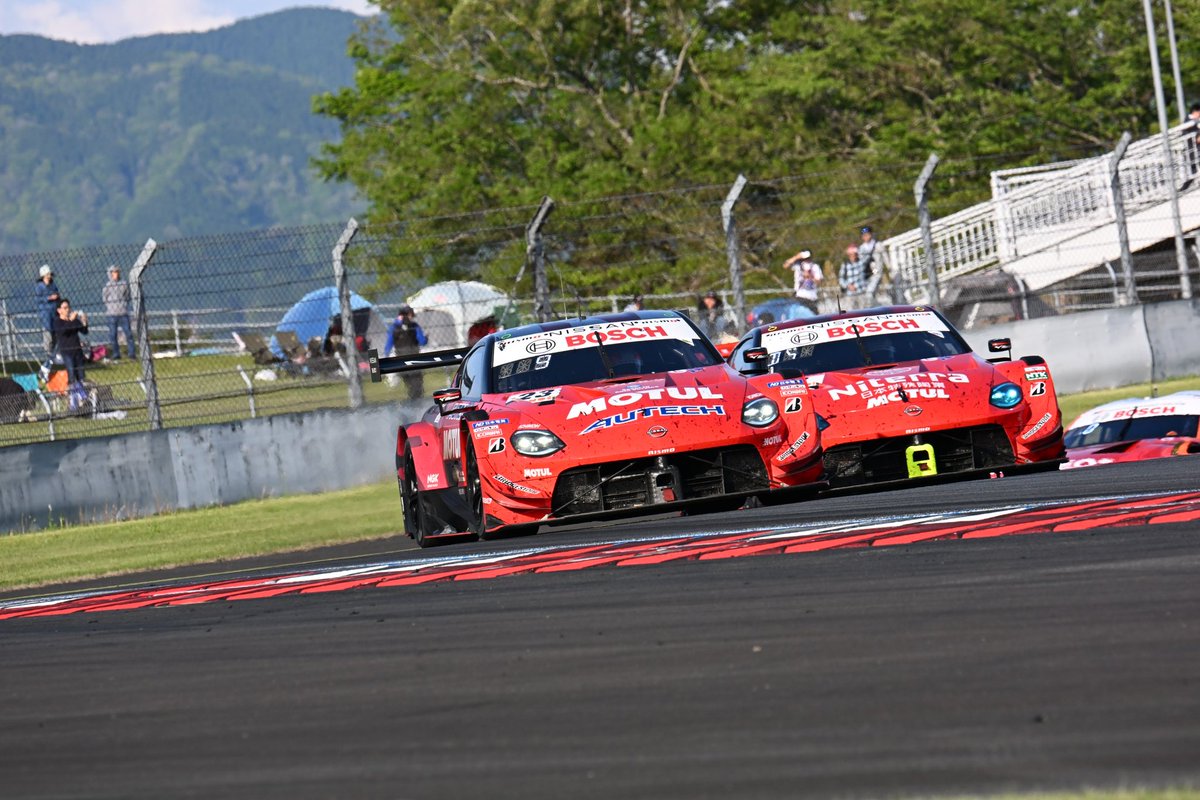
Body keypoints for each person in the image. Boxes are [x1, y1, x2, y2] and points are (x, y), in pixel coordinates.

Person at [51, 298, 88, 411]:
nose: (68, 310)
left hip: (78, 352)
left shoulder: (73, 320)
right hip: (67, 353)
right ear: (59, 310)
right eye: (65, 308)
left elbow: (84, 331)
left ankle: (81, 400)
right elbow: (64, 331)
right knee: (72, 377)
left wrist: (84, 321)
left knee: (80, 376)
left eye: (68, 307)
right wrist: (71, 320)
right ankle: (77, 400)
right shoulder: (58, 322)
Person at [385, 305, 428, 399]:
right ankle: (417, 401)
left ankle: (412, 401)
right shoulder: (414, 326)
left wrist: (387, 358)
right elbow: (422, 341)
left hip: (401, 361)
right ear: (408, 315)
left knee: (410, 385)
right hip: (415, 360)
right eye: (411, 315)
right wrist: (426, 338)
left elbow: (388, 346)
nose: (412, 318)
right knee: (417, 386)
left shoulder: (393, 327)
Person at [102, 265, 135, 361]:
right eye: (114, 272)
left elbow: (127, 296)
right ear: (110, 274)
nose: (116, 274)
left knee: (128, 334)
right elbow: (104, 298)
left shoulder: (124, 284)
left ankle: (131, 354)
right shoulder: (107, 286)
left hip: (123, 312)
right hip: (111, 314)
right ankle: (116, 354)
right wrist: (110, 306)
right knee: (113, 335)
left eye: (117, 272)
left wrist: (123, 305)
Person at [34, 265, 61, 355]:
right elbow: (37, 299)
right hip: (45, 312)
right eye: (48, 274)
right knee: (48, 332)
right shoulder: (39, 287)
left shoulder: (53, 285)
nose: (50, 276)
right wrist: (48, 298)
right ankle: (48, 352)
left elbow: (57, 294)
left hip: (55, 311)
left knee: (56, 332)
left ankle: (55, 352)